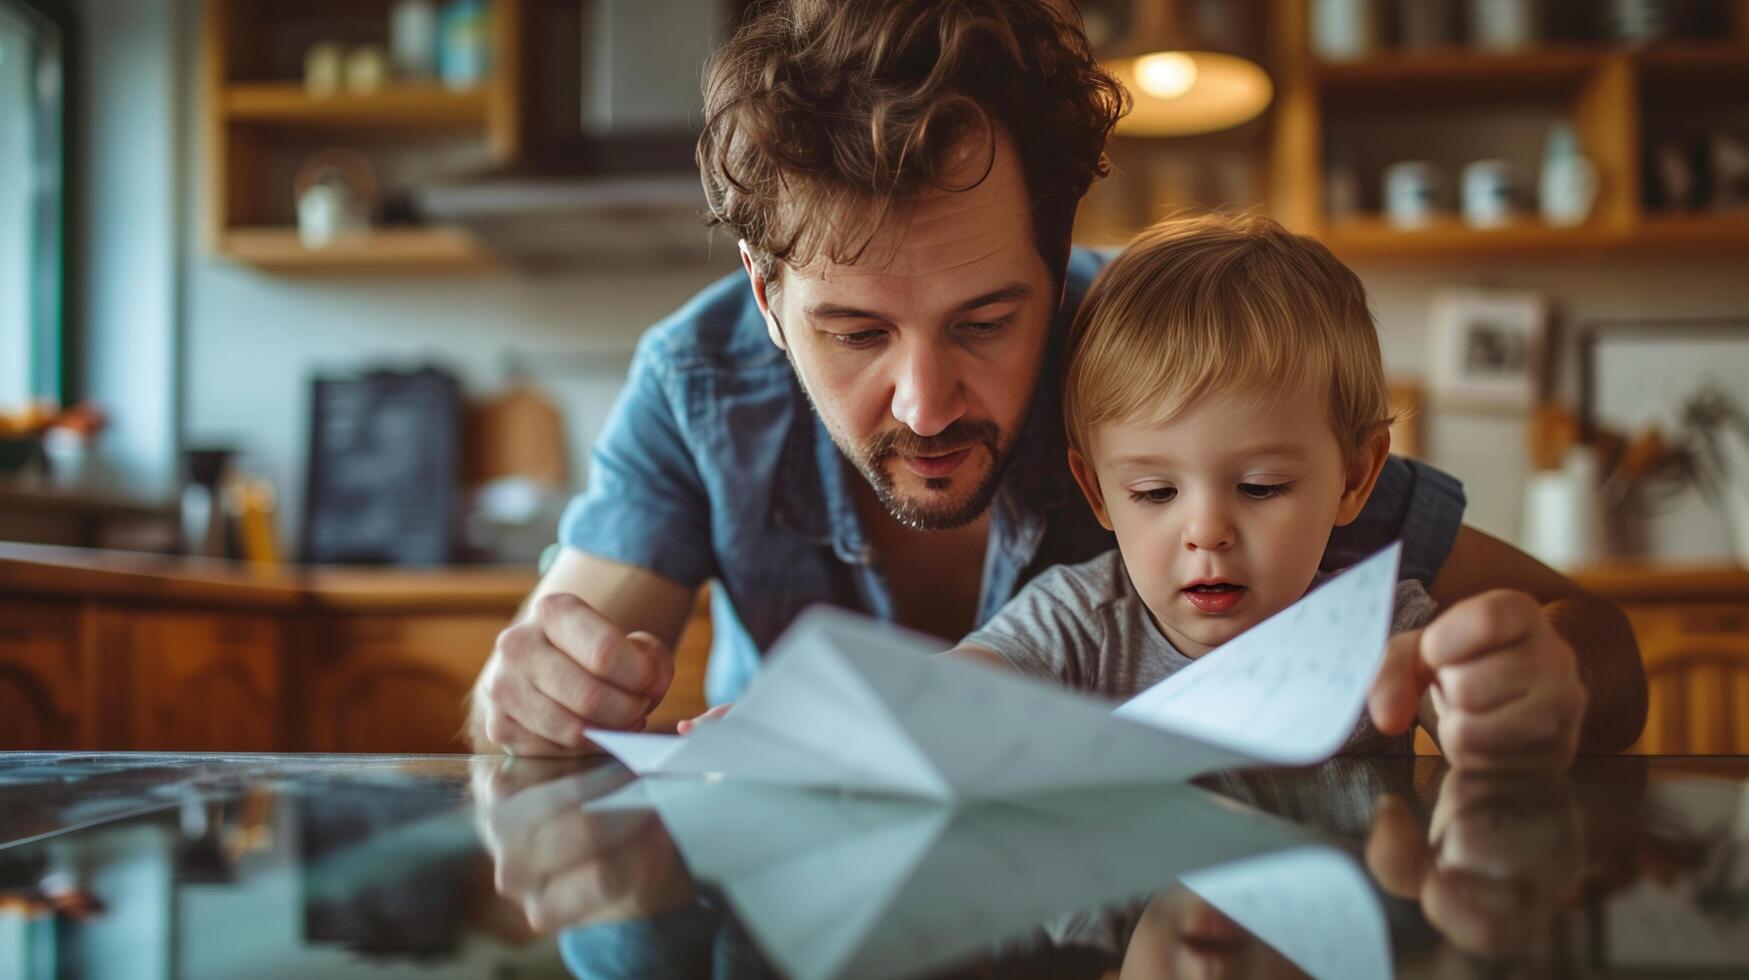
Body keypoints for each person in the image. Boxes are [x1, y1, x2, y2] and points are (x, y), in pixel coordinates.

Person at [468, 0, 1645, 760]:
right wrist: (519, 700)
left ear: (1060, 261)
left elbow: (1598, 642)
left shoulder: (1167, 362)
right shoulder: (699, 378)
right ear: (768, 298)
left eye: (986, 318)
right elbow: (541, 707)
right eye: (858, 333)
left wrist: (1554, 685)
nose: (926, 405)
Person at [946, 213, 1579, 769]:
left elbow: (1463, 705)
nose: (1206, 531)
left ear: (1356, 479)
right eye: (1155, 492)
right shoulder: (1074, 622)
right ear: (1098, 492)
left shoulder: (1381, 628)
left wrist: (1488, 704)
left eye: (1260, 486)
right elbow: (956, 696)